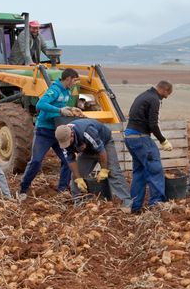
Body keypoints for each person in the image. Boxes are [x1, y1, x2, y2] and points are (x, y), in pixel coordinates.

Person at [19, 68, 83, 199]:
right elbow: (40, 104)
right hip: (44, 131)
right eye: (74, 80)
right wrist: (60, 110)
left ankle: (62, 189)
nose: (75, 83)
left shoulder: (67, 92)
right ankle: (23, 189)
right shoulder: (55, 90)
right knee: (36, 161)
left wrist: (71, 109)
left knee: (67, 160)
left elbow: (61, 108)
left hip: (58, 132)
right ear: (69, 78)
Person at [123, 80, 174, 213]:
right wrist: (163, 140)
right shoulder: (154, 99)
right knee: (155, 169)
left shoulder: (143, 95)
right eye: (167, 94)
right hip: (140, 138)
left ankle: (134, 206)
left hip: (130, 137)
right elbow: (153, 124)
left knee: (139, 172)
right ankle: (156, 206)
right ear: (164, 90)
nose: (166, 97)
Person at [55, 119, 128, 208]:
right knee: (75, 176)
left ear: (72, 134)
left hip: (104, 144)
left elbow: (101, 150)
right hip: (87, 151)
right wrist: (78, 178)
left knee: (113, 172)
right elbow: (70, 160)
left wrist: (104, 169)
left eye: (69, 141)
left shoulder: (87, 131)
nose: (67, 144)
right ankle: (78, 204)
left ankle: (126, 203)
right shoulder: (63, 139)